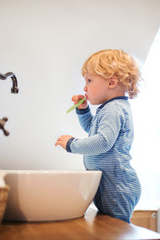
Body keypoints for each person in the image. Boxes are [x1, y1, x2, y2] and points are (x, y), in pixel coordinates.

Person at [55, 49, 142, 223]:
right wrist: (83, 110)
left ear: (111, 82)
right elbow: (92, 129)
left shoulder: (114, 109)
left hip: (117, 186)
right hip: (112, 183)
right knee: (111, 228)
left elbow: (102, 142)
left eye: (89, 80)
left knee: (117, 230)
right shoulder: (110, 108)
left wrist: (72, 144)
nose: (85, 87)